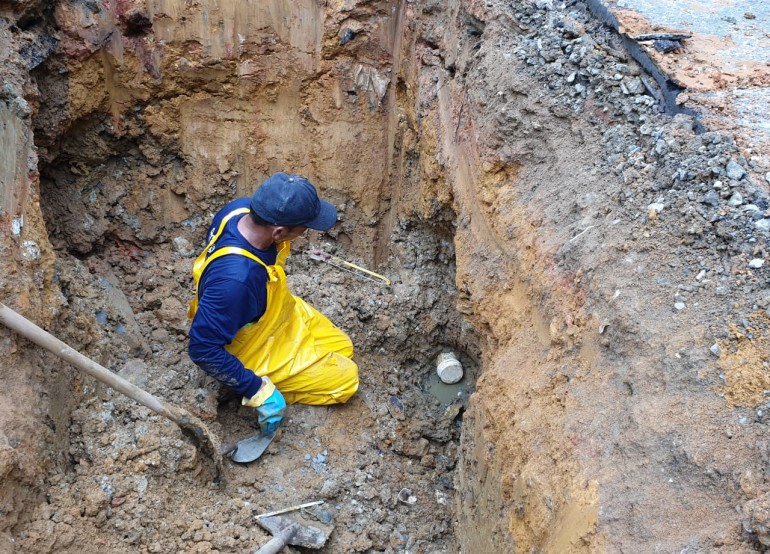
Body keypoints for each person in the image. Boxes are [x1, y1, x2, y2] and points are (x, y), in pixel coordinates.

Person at [187, 172, 359, 436]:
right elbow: (202, 348)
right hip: (252, 345)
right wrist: (257, 390)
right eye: (304, 228)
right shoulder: (237, 281)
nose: (305, 232)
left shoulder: (240, 210)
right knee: (347, 380)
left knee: (344, 348)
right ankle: (265, 384)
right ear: (279, 232)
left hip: (277, 313)